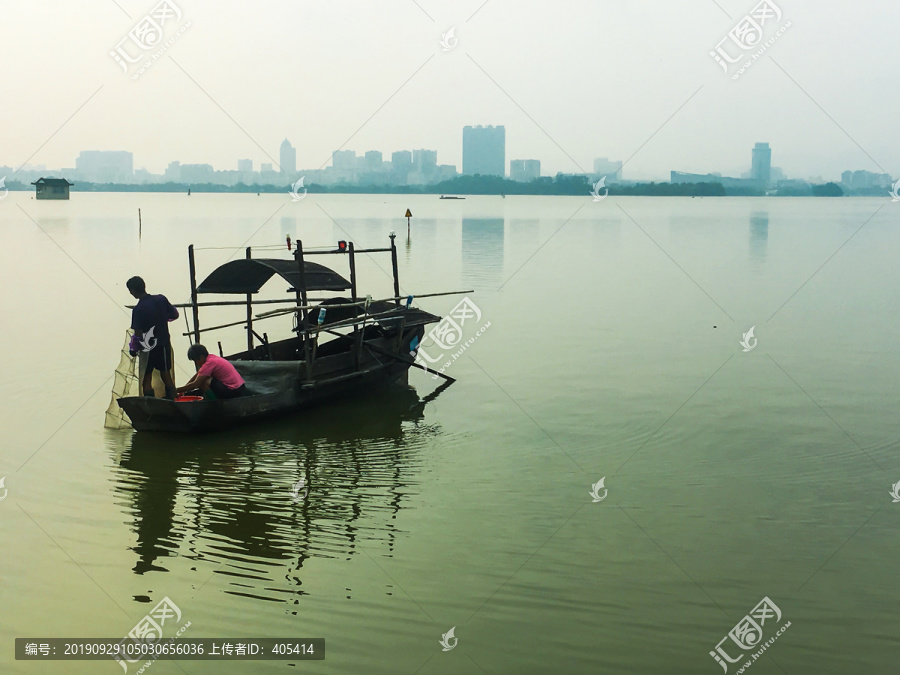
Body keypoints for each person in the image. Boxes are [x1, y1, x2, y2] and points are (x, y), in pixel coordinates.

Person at [127, 276, 179, 399]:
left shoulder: (138, 309)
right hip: (163, 344)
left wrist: (133, 349)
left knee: (146, 377)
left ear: (133, 291)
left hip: (148, 348)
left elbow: (138, 333)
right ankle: (173, 400)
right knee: (166, 374)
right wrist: (161, 318)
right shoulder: (161, 299)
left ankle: (150, 406)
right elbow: (174, 314)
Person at [177, 344, 248, 400]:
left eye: (195, 360)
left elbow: (196, 384)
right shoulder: (212, 358)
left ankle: (214, 403)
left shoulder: (209, 364)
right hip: (241, 387)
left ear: (201, 357)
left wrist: (176, 390)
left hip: (233, 390)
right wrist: (183, 390)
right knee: (203, 378)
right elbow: (198, 374)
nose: (195, 363)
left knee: (203, 382)